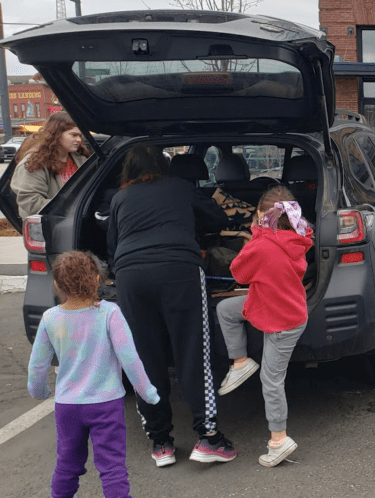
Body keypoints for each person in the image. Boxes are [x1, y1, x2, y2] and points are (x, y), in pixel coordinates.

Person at [107, 145, 235, 467]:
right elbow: (218, 218)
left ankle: (161, 442)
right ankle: (209, 439)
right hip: (179, 271)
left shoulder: (120, 198)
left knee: (144, 357)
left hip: (131, 278)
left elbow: (112, 246)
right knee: (192, 352)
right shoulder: (180, 187)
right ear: (164, 167)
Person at [27, 250, 160, 498]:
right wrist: (148, 393)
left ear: (56, 284)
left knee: (67, 462)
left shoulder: (50, 318)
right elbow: (130, 359)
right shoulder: (109, 313)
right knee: (112, 467)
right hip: (106, 404)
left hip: (67, 405)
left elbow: (37, 365)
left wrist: (39, 391)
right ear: (98, 280)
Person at [216, 186, 313, 467]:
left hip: (281, 320)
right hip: (285, 305)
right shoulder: (298, 236)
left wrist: (256, 233)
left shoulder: (262, 245)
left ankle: (279, 440)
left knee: (271, 381)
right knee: (226, 310)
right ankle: (240, 362)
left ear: (261, 215)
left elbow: (238, 272)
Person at [11, 112, 91, 218]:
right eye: (73, 135)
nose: (78, 140)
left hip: (77, 222)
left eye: (80, 136)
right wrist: (69, 208)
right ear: (56, 134)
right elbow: (31, 202)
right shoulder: (35, 162)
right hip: (48, 227)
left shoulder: (81, 159)